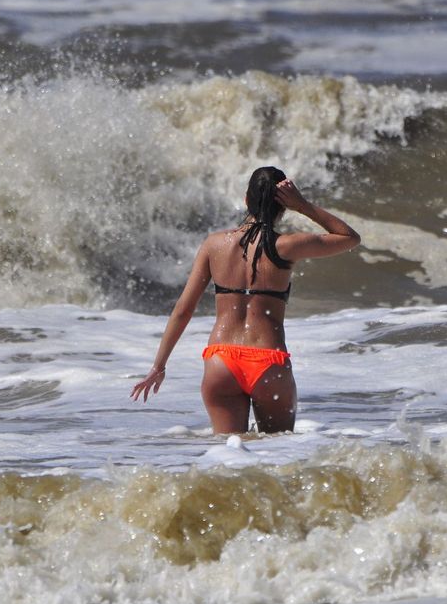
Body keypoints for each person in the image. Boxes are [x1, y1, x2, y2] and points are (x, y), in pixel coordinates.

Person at [130, 167, 360, 434]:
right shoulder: (286, 246)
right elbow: (349, 237)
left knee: (229, 462)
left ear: (246, 200)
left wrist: (158, 366)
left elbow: (183, 309)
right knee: (277, 459)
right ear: (282, 207)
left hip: (221, 360)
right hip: (268, 363)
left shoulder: (214, 245)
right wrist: (304, 206)